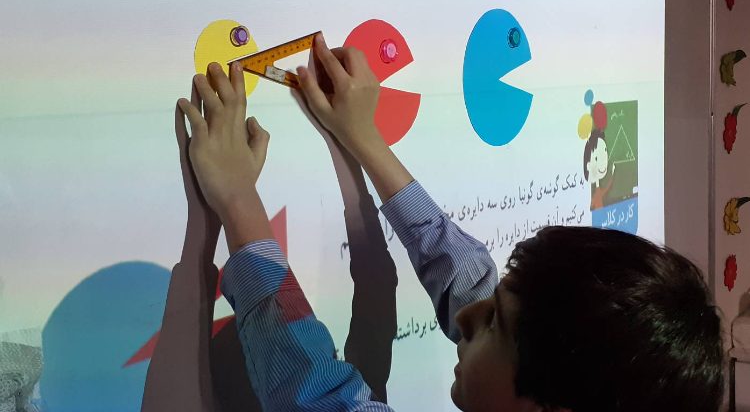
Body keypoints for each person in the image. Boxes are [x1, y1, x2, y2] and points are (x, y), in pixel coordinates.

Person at [176, 34, 724, 412]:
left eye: (494, 325)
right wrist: (364, 137)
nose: (466, 316)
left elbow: (313, 397)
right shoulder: (571, 375)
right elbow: (471, 281)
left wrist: (238, 198)